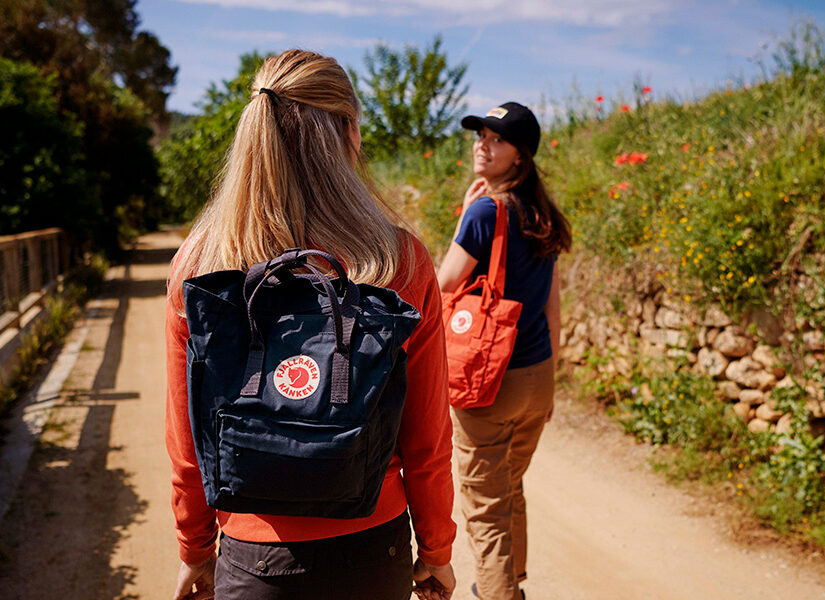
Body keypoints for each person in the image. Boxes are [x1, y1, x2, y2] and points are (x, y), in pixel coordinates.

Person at [165, 49, 456, 600]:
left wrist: (194, 549)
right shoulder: (399, 261)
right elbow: (427, 437)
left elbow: (187, 441)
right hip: (374, 545)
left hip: (254, 555)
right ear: (349, 130)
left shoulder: (200, 265)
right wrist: (436, 549)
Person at [436, 102, 571, 600]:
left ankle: (498, 593)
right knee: (509, 485)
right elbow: (552, 308)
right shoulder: (543, 215)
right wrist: (551, 381)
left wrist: (461, 225)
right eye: (480, 136)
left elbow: (440, 286)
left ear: (520, 156)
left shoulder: (484, 212)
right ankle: (509, 583)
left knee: (485, 504)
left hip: (488, 380)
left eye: (496, 139)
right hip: (535, 376)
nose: (481, 145)